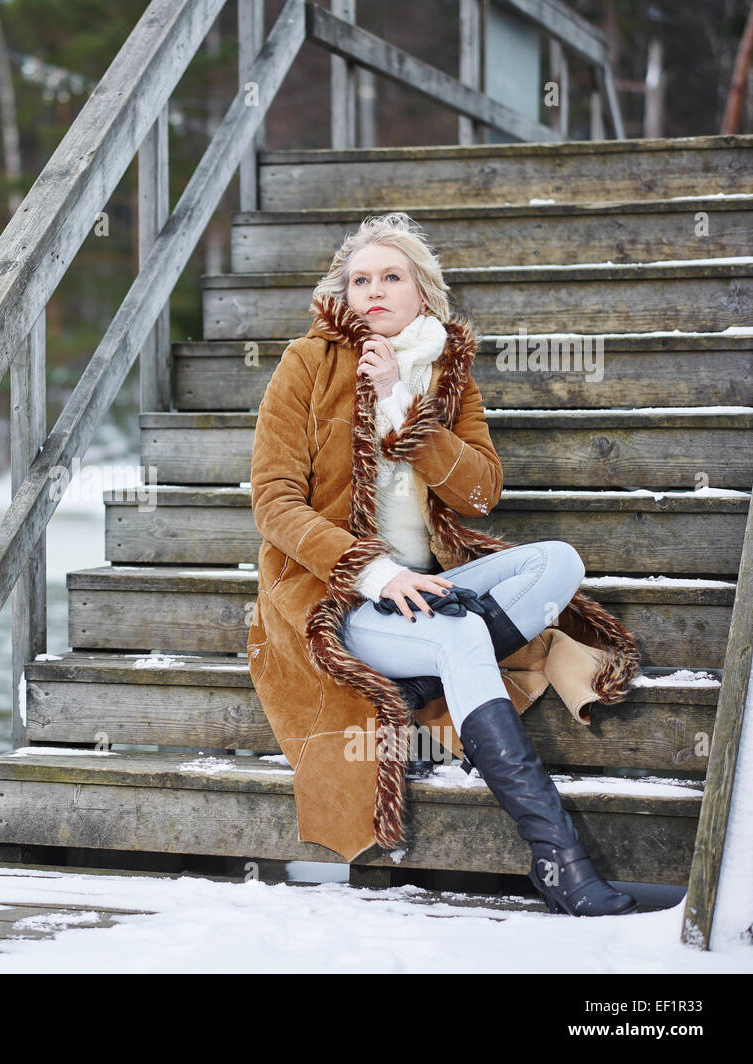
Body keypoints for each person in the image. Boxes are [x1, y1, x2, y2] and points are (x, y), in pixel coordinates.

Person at [248, 211, 640, 916]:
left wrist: (402, 398)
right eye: (359, 278)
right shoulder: (306, 364)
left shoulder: (448, 370)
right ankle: (558, 858)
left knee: (557, 563)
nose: (374, 289)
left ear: (421, 290)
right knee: (461, 633)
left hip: (433, 585)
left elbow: (481, 491)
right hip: (339, 601)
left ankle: (435, 667)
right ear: (342, 293)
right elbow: (274, 505)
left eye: (390, 276)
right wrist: (377, 574)